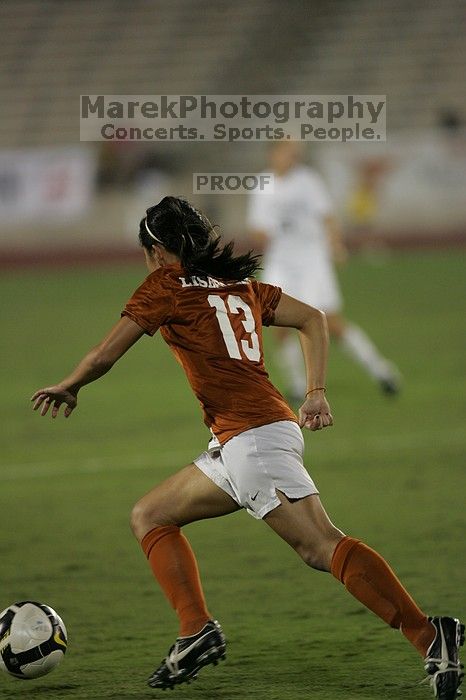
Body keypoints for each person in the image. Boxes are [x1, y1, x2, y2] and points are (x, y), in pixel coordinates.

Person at [31, 196, 462, 699]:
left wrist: (71, 384)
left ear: (158, 251)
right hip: (245, 437)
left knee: (319, 545)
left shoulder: (164, 286)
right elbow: (314, 318)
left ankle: (431, 635)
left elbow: (105, 353)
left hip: (253, 441)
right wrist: (315, 391)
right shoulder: (241, 285)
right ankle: (195, 630)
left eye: (147, 251)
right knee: (150, 514)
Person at [247, 141, 401, 400]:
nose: (291, 156)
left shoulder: (307, 180)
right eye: (285, 151)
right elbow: (257, 227)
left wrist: (335, 243)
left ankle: (381, 370)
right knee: (277, 322)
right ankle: (297, 385)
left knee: (329, 322)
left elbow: (327, 216)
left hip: (311, 260)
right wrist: (267, 233)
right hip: (281, 262)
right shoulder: (262, 185)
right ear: (273, 153)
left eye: (293, 152)